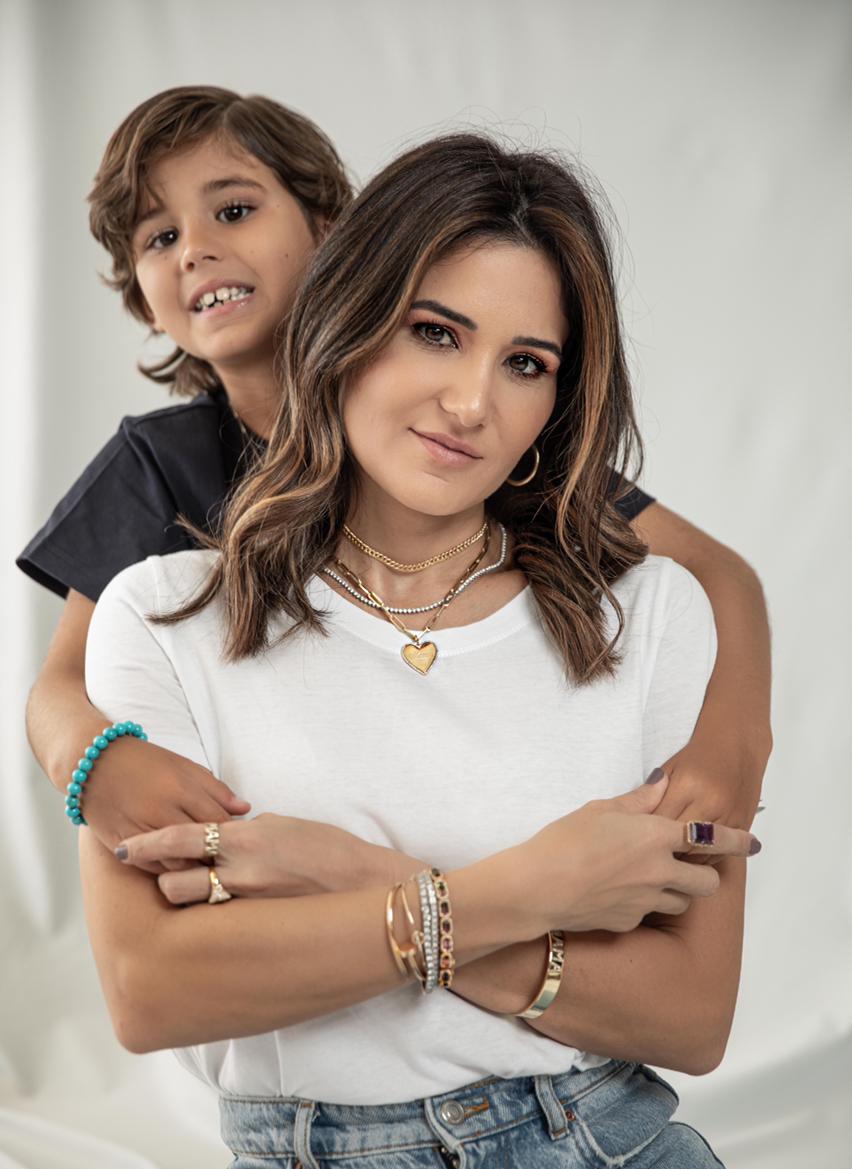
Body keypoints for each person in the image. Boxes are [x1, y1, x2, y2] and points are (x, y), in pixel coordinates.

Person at [79, 133, 845, 1169]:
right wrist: (530, 890)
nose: (472, 400)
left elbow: (689, 1015)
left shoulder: (649, 615)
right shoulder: (160, 617)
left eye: (526, 362)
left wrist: (348, 876)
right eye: (436, 331)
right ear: (344, 320)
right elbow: (154, 988)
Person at [18, 86, 771, 859]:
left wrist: (734, 738)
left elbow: (718, 573)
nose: (194, 250)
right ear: (142, 301)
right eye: (159, 237)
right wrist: (92, 758)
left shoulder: (462, 435)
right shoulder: (158, 464)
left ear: (333, 232)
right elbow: (60, 685)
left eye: (234, 210)